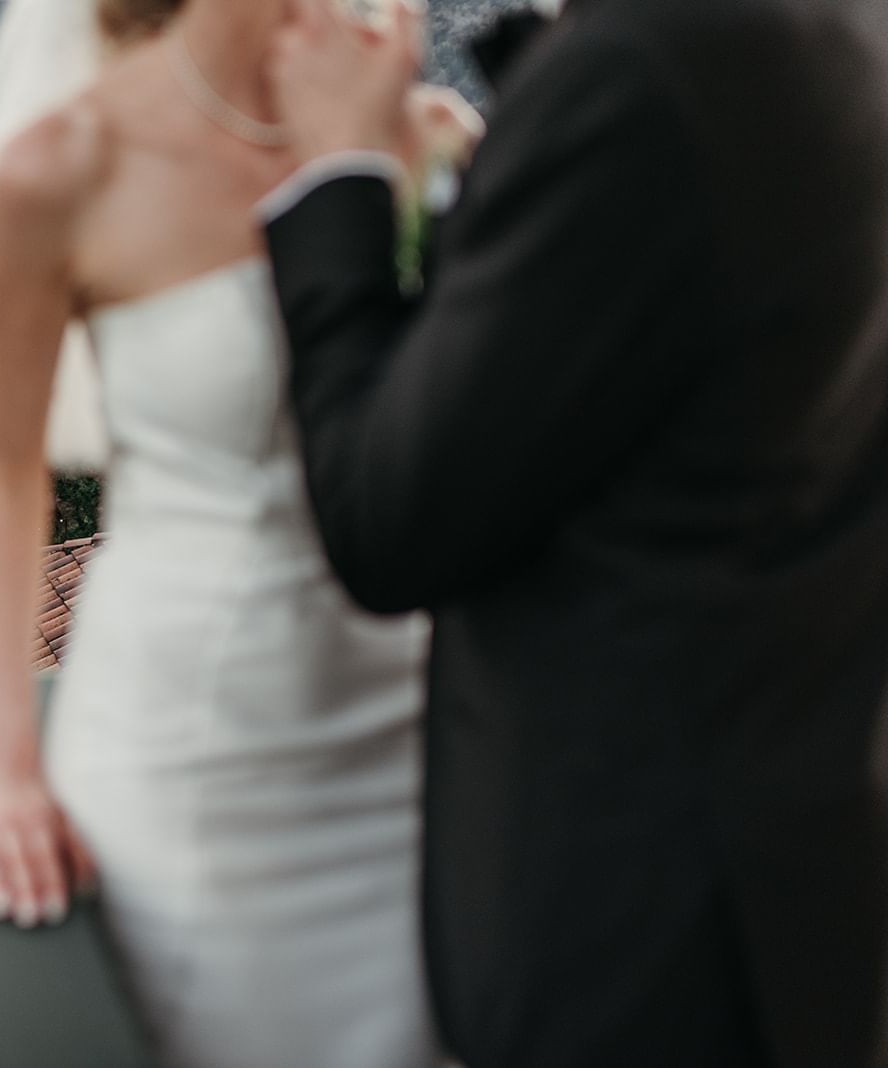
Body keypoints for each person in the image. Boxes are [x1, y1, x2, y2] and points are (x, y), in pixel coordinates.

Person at [260, 1, 888, 1065]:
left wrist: (339, 173)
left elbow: (386, 521)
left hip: (633, 933)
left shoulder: (637, 72)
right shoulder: (841, 27)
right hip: (797, 877)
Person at [0, 1, 435, 1063]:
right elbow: (8, 470)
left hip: (425, 759)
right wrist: (5, 762)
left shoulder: (424, 132)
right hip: (193, 771)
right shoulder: (66, 165)